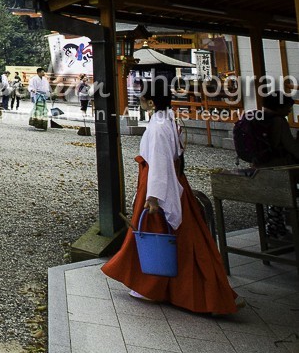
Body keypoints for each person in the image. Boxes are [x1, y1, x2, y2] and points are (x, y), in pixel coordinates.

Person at [102, 75, 238, 314]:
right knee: (179, 237)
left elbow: (160, 163)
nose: (141, 101)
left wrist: (153, 197)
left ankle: (153, 286)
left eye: (143, 98)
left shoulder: (158, 127)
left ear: (152, 102)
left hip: (157, 184)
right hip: (169, 180)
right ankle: (165, 286)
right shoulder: (169, 120)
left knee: (157, 235)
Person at [232, 89, 298, 237]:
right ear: (280, 106)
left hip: (259, 165)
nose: (289, 111)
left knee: (273, 198)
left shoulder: (257, 118)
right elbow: (290, 146)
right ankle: (276, 228)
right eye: (288, 107)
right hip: (279, 165)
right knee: (281, 198)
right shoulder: (278, 121)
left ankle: (275, 228)